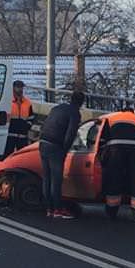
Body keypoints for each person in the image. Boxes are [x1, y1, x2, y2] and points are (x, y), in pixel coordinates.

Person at [38, 90, 85, 219]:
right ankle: (58, 209)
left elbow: (45, 125)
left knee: (46, 178)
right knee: (56, 180)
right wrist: (65, 149)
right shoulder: (75, 113)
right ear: (81, 103)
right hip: (55, 146)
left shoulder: (57, 108)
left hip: (43, 143)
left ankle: (49, 209)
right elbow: (70, 133)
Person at [99, 107, 135, 222]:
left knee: (114, 178)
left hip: (115, 150)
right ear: (132, 112)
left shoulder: (111, 118)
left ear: (122, 111)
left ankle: (111, 211)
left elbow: (103, 138)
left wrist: (103, 154)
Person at [3, 80, 34, 156]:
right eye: (18, 87)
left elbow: (31, 117)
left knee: (22, 156)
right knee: (7, 155)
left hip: (22, 135)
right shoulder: (8, 101)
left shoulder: (28, 103)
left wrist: (27, 126)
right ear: (13, 88)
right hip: (10, 135)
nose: (20, 89)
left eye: (21, 87)